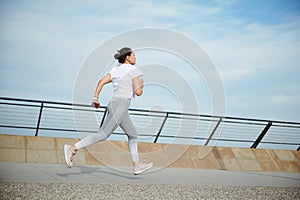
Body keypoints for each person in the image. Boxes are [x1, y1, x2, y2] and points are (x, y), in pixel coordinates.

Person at [64, 47, 153, 175]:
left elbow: (101, 82)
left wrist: (95, 98)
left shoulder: (115, 69)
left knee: (133, 134)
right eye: (133, 55)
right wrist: (142, 85)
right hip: (121, 104)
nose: (135, 57)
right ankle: (72, 148)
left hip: (115, 103)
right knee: (103, 134)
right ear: (127, 57)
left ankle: (137, 165)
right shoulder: (134, 71)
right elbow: (138, 92)